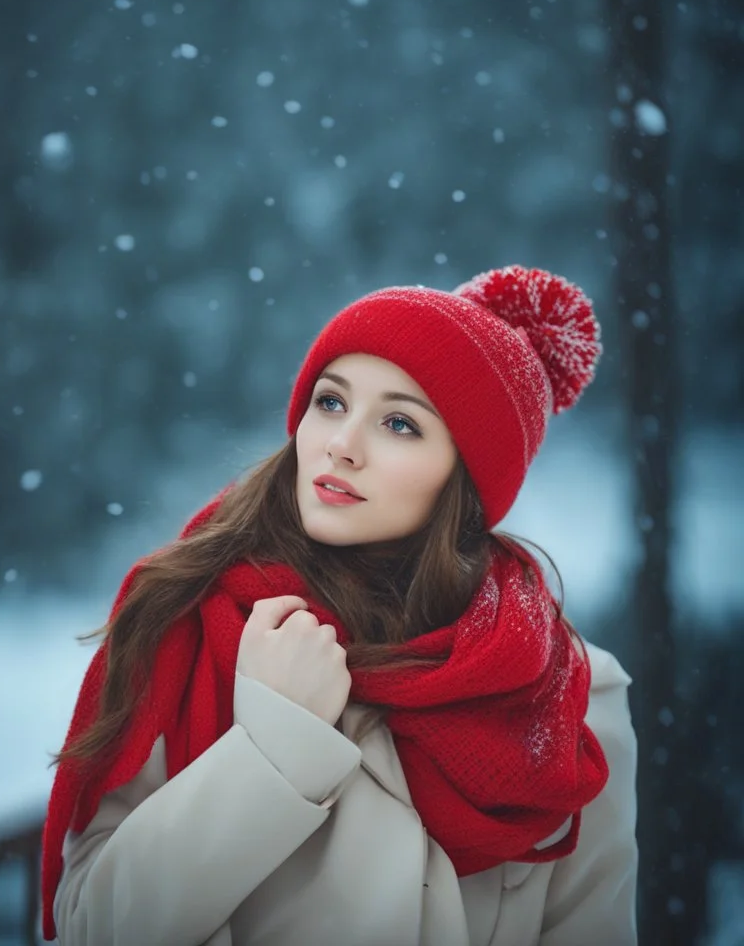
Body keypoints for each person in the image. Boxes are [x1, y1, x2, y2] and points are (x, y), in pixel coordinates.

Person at [40, 264, 638, 946]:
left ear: (467, 476)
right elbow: (91, 927)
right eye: (330, 402)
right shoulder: (190, 620)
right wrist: (274, 753)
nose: (342, 445)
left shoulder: (569, 698)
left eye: (399, 424)